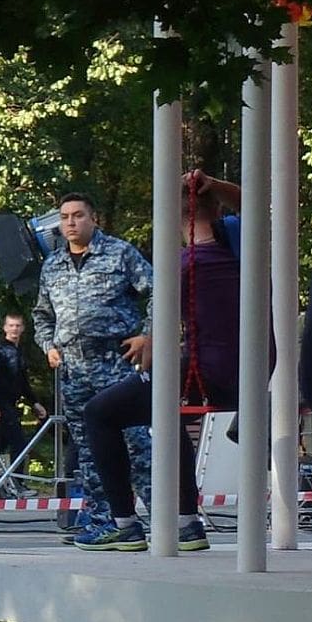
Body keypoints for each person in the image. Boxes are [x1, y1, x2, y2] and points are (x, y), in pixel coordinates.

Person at [74, 170, 242, 552]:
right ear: (218, 210)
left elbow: (157, 345)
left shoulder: (180, 267)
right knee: (166, 411)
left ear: (169, 217)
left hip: (209, 373)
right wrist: (215, 184)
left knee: (100, 412)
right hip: (253, 371)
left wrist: (147, 343)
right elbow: (256, 205)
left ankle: (124, 524)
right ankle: (187, 522)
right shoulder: (239, 245)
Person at [32, 191, 154, 535]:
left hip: (116, 362)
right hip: (73, 369)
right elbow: (42, 315)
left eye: (78, 215)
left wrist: (148, 336)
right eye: (65, 217)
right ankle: (107, 522)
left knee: (136, 442)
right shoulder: (52, 265)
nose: (71, 222)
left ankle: (167, 518)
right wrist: (48, 345)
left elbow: (159, 290)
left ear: (93, 218)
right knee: (89, 450)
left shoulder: (119, 253)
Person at [0, 313, 48, 468]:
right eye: (11, 325)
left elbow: (22, 382)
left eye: (17, 326)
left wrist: (34, 403)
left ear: (23, 328)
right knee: (19, 444)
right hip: (2, 404)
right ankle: (16, 479)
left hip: (12, 403)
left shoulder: (19, 352)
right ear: (5, 328)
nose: (14, 329)